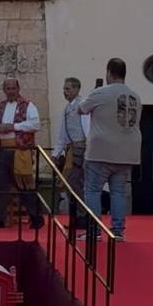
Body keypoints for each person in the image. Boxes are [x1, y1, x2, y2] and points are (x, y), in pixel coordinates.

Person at [79, 58, 143, 241]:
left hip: (101, 149)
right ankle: (117, 231)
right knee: (118, 192)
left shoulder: (101, 93)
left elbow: (81, 109)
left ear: (109, 73)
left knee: (92, 190)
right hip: (127, 150)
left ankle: (94, 231)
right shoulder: (135, 96)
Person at [0, 78, 43, 229]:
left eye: (13, 88)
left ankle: (36, 216)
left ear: (18, 89)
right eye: (8, 88)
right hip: (2, 150)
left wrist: (14, 126)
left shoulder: (28, 105)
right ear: (4, 90)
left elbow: (35, 124)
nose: (11, 91)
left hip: (20, 150)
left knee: (25, 185)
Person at [53, 77, 91, 221]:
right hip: (71, 148)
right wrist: (56, 152)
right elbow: (63, 133)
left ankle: (83, 215)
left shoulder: (82, 105)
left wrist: (88, 148)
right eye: (64, 89)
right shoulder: (67, 108)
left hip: (80, 147)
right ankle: (77, 215)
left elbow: (87, 128)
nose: (65, 92)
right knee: (71, 182)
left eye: (68, 89)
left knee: (74, 181)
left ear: (76, 89)